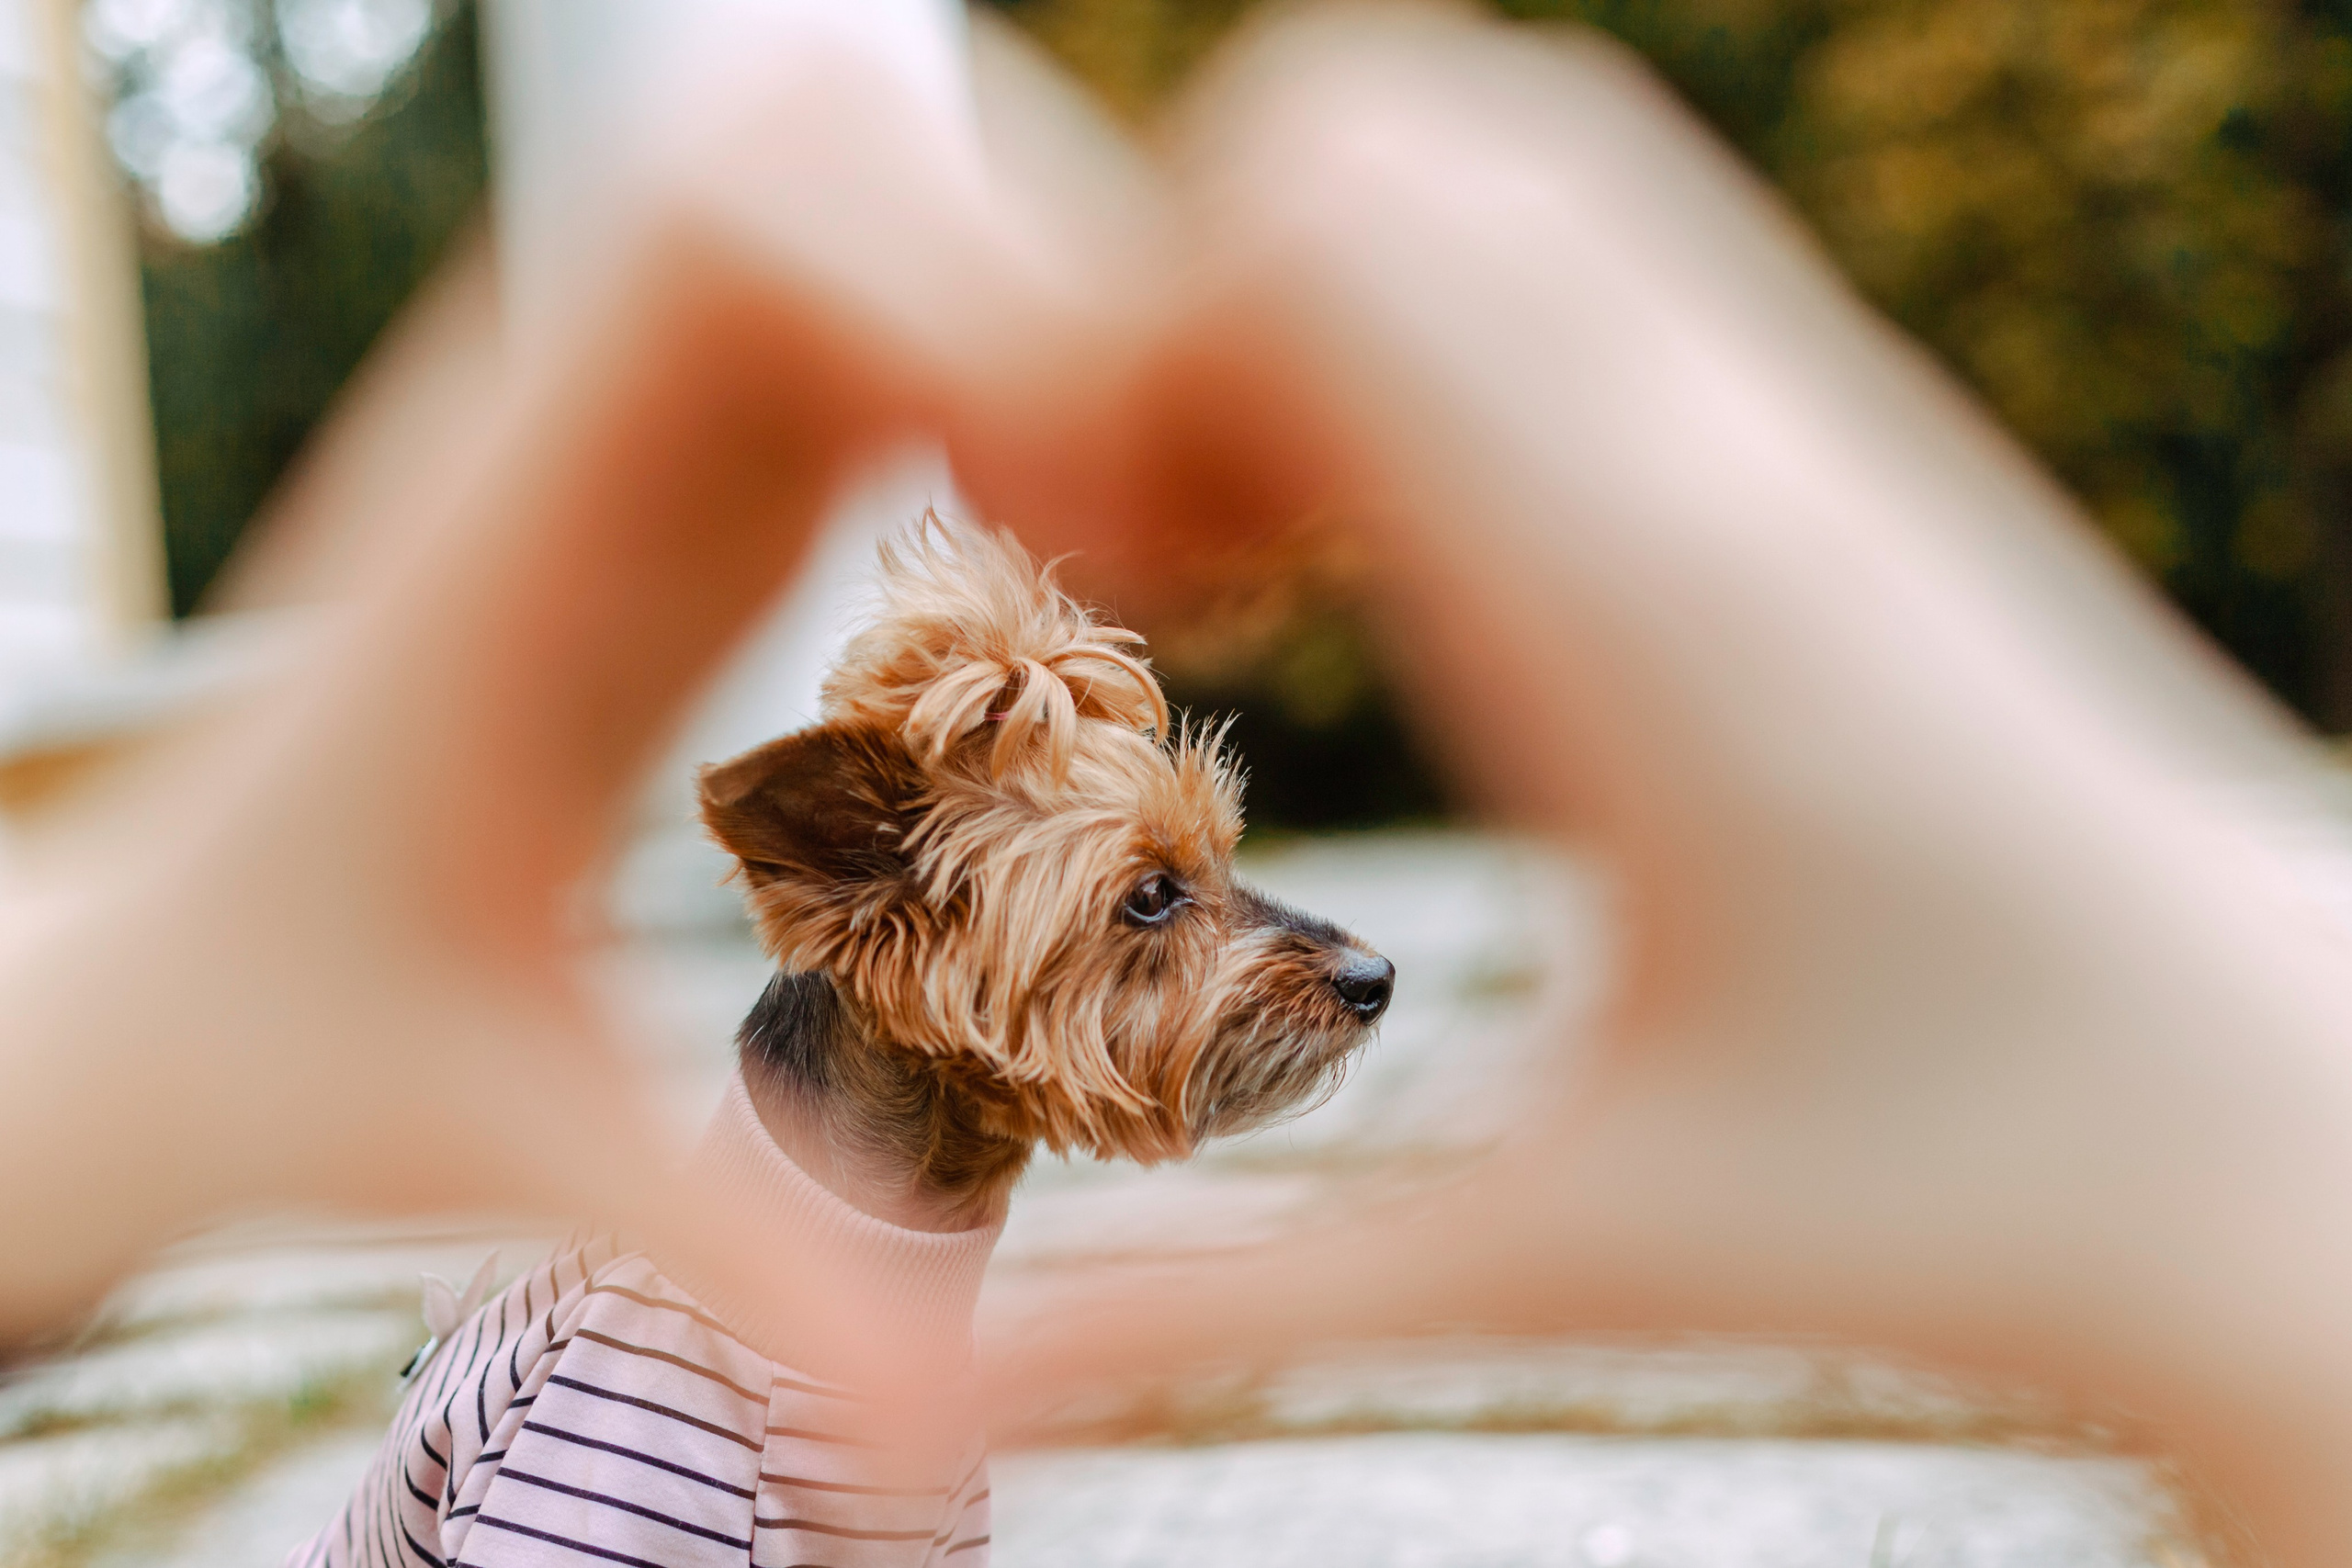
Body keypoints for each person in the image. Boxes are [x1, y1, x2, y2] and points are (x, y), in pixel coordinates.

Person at [2, 6, 2348, 1562]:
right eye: (1149, 911)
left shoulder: (876, 1326)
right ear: (870, 913)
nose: (1304, 964)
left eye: (1207, 885)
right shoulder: (658, 1414)